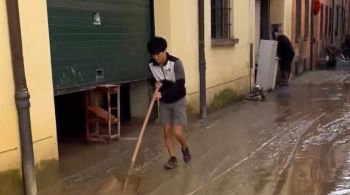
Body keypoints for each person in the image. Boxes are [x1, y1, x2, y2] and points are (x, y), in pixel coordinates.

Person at [147, 36, 191, 169]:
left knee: (177, 132)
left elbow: (180, 85)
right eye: (153, 55)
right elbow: (150, 79)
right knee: (166, 132)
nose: (156, 57)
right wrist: (155, 83)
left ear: (164, 51)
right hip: (164, 102)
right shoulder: (151, 65)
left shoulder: (176, 63)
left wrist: (162, 93)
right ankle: (173, 158)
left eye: (158, 54)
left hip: (178, 100)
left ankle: (184, 147)